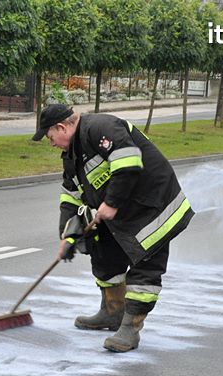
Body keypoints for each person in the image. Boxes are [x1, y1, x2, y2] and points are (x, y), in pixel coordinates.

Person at [32, 104, 194, 352]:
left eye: (49, 136)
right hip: (121, 212)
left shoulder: (100, 127)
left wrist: (111, 202)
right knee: (101, 248)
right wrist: (67, 236)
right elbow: (70, 199)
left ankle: (130, 328)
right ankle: (112, 311)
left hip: (152, 207)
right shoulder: (71, 157)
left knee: (145, 264)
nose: (51, 143)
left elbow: (128, 163)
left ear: (62, 127)